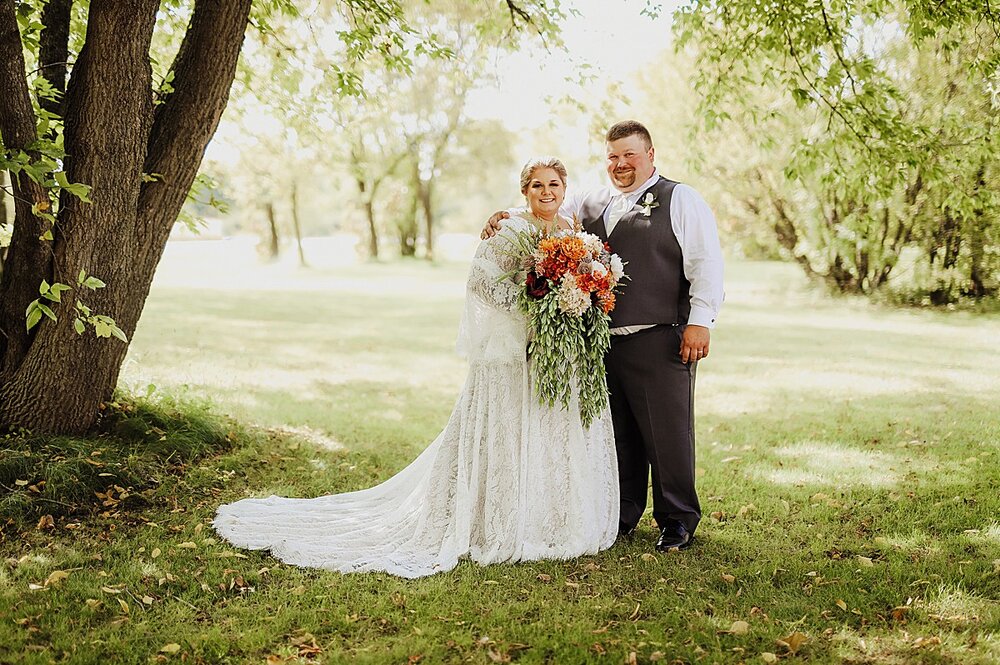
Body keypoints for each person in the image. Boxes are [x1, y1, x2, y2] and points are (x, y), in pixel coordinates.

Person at [213, 158, 619, 578]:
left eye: (554, 184)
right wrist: (533, 306)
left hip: (556, 352)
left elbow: (586, 277)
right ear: (524, 191)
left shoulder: (572, 230)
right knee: (506, 426)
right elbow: (480, 283)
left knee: (546, 427)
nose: (546, 192)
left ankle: (547, 516)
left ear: (564, 187)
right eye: (537, 185)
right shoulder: (510, 229)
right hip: (512, 351)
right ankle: (494, 517)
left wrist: (575, 299)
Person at [482, 121, 724, 552]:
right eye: (613, 156)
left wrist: (700, 319)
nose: (621, 164)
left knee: (667, 432)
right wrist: (505, 215)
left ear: (650, 154)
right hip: (599, 343)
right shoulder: (590, 200)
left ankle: (678, 519)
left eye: (630, 155)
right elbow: (545, 204)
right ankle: (622, 511)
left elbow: (705, 261)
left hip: (659, 334)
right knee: (616, 434)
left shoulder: (680, 198)